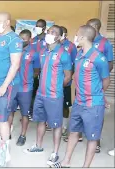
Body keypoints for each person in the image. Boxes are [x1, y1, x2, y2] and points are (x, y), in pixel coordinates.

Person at [49, 25, 110, 168]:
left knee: (92, 137)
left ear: (83, 37)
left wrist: (99, 95)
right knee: (73, 132)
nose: (75, 38)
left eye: (77, 35)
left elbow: (106, 80)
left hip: (93, 105)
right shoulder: (79, 54)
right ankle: (65, 162)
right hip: (78, 102)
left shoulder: (99, 58)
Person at [24, 25, 72, 165]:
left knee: (56, 125)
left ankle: (55, 153)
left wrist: (56, 88)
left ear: (58, 37)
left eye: (53, 32)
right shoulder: (44, 51)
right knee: (40, 121)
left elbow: (68, 76)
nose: (49, 34)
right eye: (48, 31)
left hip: (54, 96)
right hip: (40, 94)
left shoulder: (64, 53)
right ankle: (38, 146)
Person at [0, 12, 23, 162]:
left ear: (7, 22)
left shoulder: (14, 39)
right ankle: (1, 139)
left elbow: (15, 65)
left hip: (5, 85)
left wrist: (4, 85)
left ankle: (5, 148)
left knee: (3, 118)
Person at [86, 18, 114, 153]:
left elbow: (110, 64)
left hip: (97, 82)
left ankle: (96, 141)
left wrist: (102, 80)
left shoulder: (105, 43)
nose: (87, 28)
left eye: (89, 26)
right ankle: (79, 134)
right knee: (81, 109)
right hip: (83, 81)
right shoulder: (86, 41)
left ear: (96, 27)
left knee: (97, 112)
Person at [9, 29, 40, 146]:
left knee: (24, 114)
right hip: (13, 86)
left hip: (26, 88)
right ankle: (7, 132)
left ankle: (23, 135)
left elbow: (37, 71)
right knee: (10, 111)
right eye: (20, 38)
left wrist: (27, 79)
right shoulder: (13, 51)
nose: (22, 41)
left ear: (30, 39)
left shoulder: (34, 53)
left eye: (24, 38)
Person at [59, 26, 79, 140]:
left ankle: (64, 126)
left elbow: (74, 63)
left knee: (65, 105)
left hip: (65, 81)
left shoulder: (71, 46)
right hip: (52, 81)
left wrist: (69, 77)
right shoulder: (53, 46)